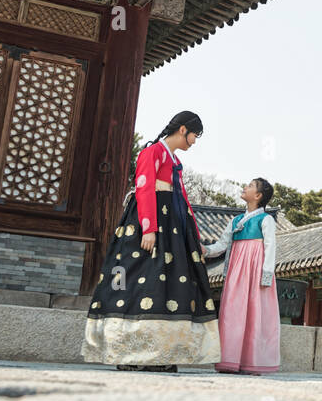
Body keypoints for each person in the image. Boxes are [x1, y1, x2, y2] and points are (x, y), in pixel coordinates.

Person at [81, 111, 220, 372]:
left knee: (165, 286)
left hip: (173, 227)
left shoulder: (174, 160)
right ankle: (129, 353)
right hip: (150, 224)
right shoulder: (152, 152)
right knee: (136, 281)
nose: (194, 141)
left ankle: (157, 355)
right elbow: (144, 188)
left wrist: (195, 238)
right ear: (182, 129)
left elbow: (184, 200)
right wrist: (148, 229)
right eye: (194, 135)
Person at [202, 177, 281, 374]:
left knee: (256, 313)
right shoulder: (235, 221)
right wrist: (205, 250)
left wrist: (266, 274)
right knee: (232, 312)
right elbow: (221, 245)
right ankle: (230, 360)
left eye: (250, 186)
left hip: (255, 270)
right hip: (237, 272)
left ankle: (252, 361)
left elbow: (270, 246)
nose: (244, 187)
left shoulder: (266, 219)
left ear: (258, 195)